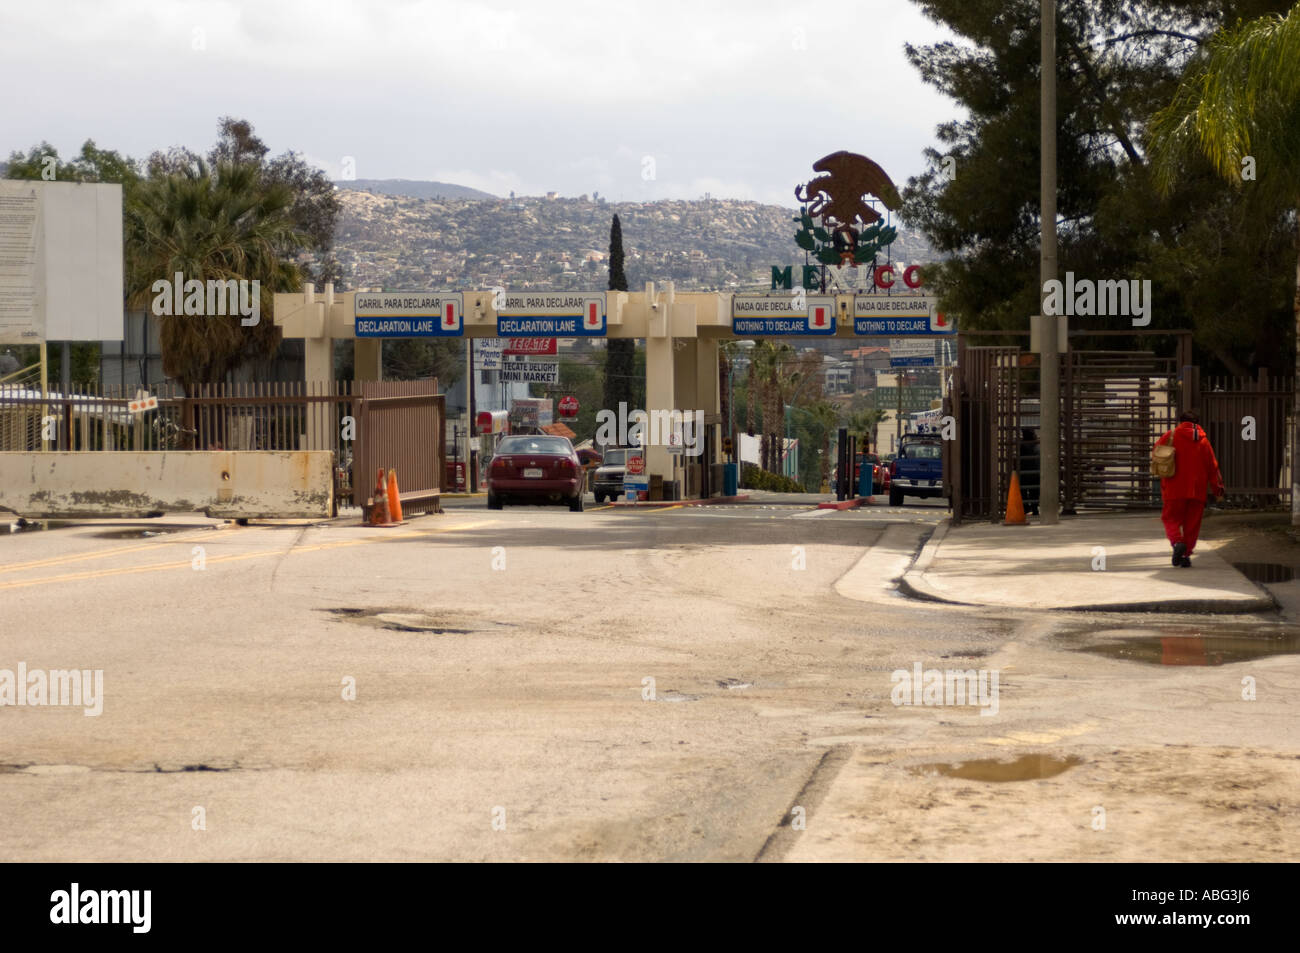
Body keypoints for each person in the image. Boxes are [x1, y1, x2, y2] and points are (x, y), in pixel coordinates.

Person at [1154, 411, 1224, 567]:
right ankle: (1185, 556)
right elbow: (1213, 467)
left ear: (1181, 421)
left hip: (1174, 487)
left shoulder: (1171, 436)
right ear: (1197, 423)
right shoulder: (1203, 441)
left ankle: (1177, 542)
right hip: (1197, 490)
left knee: (1170, 518)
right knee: (1192, 524)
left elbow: (1156, 452)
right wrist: (1218, 488)